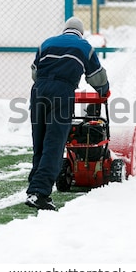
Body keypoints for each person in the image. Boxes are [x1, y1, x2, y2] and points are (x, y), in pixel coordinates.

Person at [25, 17, 109, 210]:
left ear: (65, 30)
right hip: (62, 93)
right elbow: (97, 77)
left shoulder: (46, 43)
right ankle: (39, 193)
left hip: (38, 91)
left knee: (40, 141)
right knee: (54, 143)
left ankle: (33, 188)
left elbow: (35, 72)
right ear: (80, 32)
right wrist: (104, 91)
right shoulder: (84, 46)